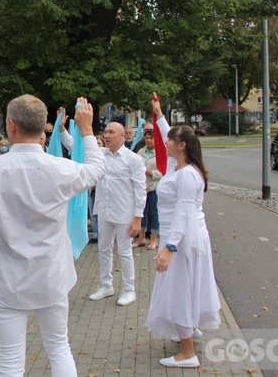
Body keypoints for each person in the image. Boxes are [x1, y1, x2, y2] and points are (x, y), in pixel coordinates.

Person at [0, 95, 106, 376]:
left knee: (11, 359)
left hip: (7, 278)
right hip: (51, 275)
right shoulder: (60, 169)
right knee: (58, 347)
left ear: (11, 125)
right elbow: (97, 169)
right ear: (42, 129)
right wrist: (87, 131)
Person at [146, 97, 220, 368]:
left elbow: (184, 214)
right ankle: (188, 330)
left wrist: (170, 247)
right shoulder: (180, 166)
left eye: (169, 141)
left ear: (182, 146)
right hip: (182, 235)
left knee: (178, 289)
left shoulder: (187, 175)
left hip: (182, 237)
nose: (164, 143)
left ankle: (187, 352)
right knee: (185, 287)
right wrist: (159, 114)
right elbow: (168, 134)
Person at [72, 121, 145, 307]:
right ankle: (106, 285)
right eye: (106, 132)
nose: (107, 135)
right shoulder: (100, 156)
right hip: (104, 210)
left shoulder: (133, 159)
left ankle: (129, 289)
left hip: (125, 212)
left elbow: (140, 189)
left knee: (124, 250)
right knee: (103, 248)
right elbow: (75, 146)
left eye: (112, 132)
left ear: (122, 136)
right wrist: (64, 130)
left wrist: (138, 218)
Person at [135, 129, 162, 250]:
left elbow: (164, 172)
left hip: (154, 188)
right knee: (142, 214)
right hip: (142, 188)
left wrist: (150, 172)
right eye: (147, 138)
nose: (149, 140)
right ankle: (141, 238)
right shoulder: (141, 152)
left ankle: (153, 239)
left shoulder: (160, 154)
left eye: (151, 138)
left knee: (154, 214)